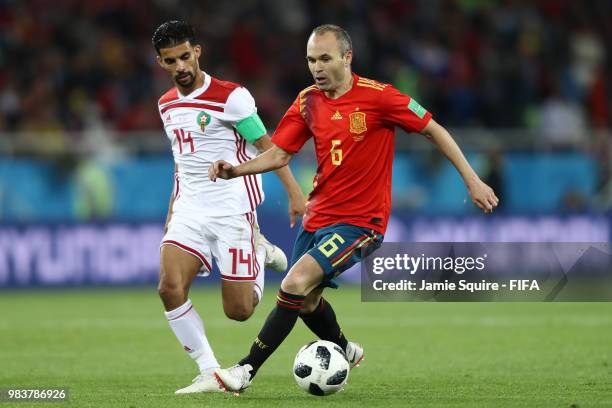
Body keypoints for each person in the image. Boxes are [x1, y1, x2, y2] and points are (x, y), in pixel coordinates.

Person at [209, 24, 499, 392]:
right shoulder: (307, 101)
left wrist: (472, 180)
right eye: (311, 59)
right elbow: (280, 152)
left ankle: (245, 370)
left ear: (347, 58)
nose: (317, 67)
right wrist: (235, 170)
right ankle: (345, 348)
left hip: (361, 223)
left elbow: (434, 129)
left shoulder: (380, 98)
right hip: (317, 218)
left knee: (294, 283)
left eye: (325, 58)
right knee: (308, 299)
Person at [152, 20, 306, 394]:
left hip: (231, 210)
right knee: (169, 287)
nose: (181, 67)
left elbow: (268, 147)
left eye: (185, 57)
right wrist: (173, 207)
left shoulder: (231, 97)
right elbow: (182, 160)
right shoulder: (166, 105)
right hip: (189, 208)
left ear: (198, 51)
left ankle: (257, 247)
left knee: (238, 312)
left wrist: (295, 193)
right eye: (171, 61)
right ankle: (210, 370)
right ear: (161, 63)